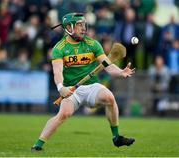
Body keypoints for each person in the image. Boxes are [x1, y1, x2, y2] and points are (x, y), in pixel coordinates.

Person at [31, 13, 135, 151]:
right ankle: (37, 146)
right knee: (63, 114)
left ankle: (116, 137)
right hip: (70, 89)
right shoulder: (59, 48)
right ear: (69, 27)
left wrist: (120, 72)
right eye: (79, 25)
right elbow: (57, 72)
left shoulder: (92, 44)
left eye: (84, 25)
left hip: (91, 86)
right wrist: (60, 87)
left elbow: (108, 65)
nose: (83, 28)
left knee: (109, 97)